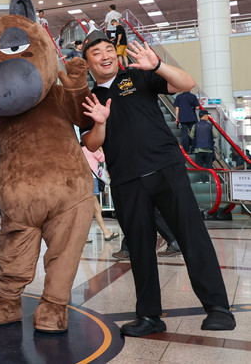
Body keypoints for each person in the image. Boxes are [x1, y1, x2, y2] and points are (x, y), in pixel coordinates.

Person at [80, 31, 235, 337]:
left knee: (192, 236)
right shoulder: (90, 99)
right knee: (139, 248)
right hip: (125, 180)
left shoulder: (138, 76)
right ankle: (149, 316)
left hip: (166, 168)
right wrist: (100, 122)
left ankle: (218, 308)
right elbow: (92, 143)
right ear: (87, 63)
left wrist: (158, 65)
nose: (104, 56)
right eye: (96, 53)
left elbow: (186, 83)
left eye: (108, 49)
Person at [79, 145, 118, 242]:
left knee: (95, 208)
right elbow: (103, 158)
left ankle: (103, 233)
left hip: (83, 180)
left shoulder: (80, 150)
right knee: (95, 209)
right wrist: (101, 149)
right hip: (92, 180)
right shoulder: (91, 149)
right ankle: (105, 233)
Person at [190, 110, 219, 183]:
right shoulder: (210, 125)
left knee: (199, 165)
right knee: (208, 165)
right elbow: (216, 135)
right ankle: (208, 180)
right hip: (208, 149)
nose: (208, 117)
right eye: (207, 116)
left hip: (198, 149)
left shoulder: (195, 125)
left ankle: (199, 180)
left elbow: (191, 136)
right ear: (205, 116)